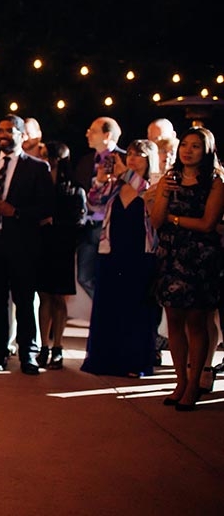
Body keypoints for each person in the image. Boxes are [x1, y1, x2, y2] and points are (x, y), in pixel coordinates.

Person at [150, 127, 224, 411]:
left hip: (199, 258)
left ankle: (194, 384)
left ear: (206, 150)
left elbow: (207, 224)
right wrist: (164, 196)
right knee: (174, 322)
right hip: (170, 254)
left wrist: (175, 219)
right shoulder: (171, 179)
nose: (187, 150)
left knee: (196, 322)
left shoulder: (216, 182)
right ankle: (180, 381)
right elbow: (157, 222)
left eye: (195, 146)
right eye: (184, 145)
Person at [0, 115, 54, 374]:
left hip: (22, 244)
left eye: (10, 130)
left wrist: (15, 212)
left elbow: (46, 207)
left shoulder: (37, 167)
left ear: (22, 135)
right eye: (0, 130)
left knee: (24, 301)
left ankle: (28, 354)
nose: (4, 134)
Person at [83, 139, 159, 377]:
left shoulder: (155, 183)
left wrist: (126, 174)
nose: (133, 159)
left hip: (140, 256)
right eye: (131, 154)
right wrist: (100, 178)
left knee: (136, 310)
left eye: (139, 155)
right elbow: (94, 203)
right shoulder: (116, 185)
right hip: (112, 254)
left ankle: (136, 363)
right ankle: (105, 361)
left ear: (149, 159)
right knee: (109, 308)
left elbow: (148, 195)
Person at [35, 142, 87, 370]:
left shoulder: (74, 187)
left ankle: (57, 346)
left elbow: (80, 221)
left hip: (62, 246)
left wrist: (53, 222)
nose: (45, 160)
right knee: (44, 296)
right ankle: (44, 346)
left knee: (58, 297)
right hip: (42, 245)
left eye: (48, 156)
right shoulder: (39, 183)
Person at [74, 117, 125, 299]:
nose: (88, 134)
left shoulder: (124, 159)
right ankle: (105, 309)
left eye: (93, 131)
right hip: (89, 226)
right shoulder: (86, 161)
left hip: (113, 227)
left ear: (107, 135)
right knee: (84, 276)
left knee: (111, 275)